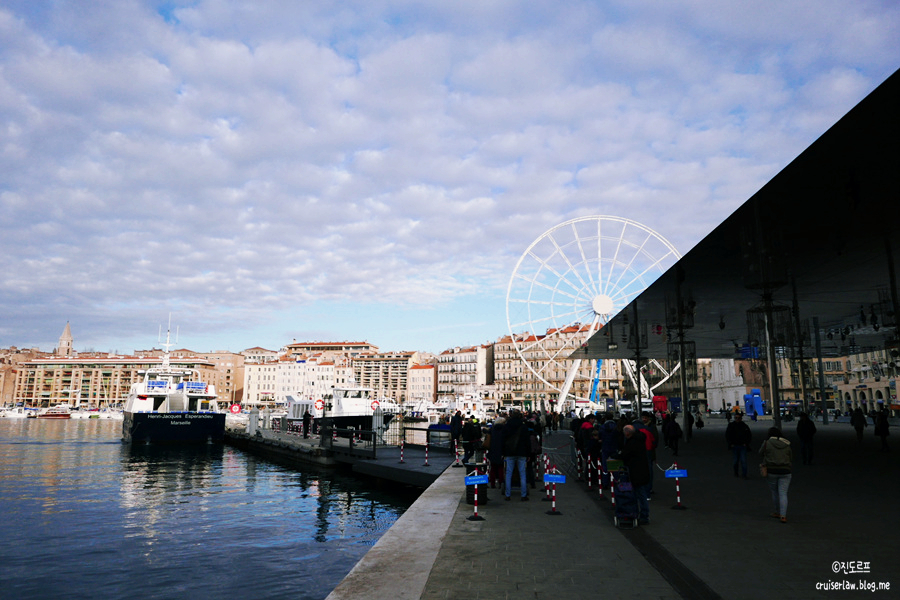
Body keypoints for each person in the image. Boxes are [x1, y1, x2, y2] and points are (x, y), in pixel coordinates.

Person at [760, 426, 792, 523]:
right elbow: (791, 456)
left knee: (774, 492)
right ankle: (783, 515)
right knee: (783, 493)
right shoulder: (786, 444)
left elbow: (760, 452)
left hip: (772, 470)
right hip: (786, 471)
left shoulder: (767, 443)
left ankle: (777, 511)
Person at [620, 425, 651, 525]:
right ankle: (641, 514)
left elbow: (626, 454)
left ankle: (642, 515)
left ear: (627, 433)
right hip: (642, 470)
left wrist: (616, 455)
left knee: (638, 494)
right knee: (641, 494)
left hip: (635, 472)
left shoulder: (632, 442)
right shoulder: (639, 439)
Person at [503, 410, 532, 500]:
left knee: (508, 474)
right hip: (522, 452)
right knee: (522, 473)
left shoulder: (507, 426)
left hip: (509, 452)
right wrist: (528, 453)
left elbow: (503, 440)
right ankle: (523, 495)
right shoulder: (523, 426)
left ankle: (508, 495)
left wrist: (503, 452)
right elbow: (527, 441)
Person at [725, 412, 752, 478]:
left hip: (742, 445)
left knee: (743, 461)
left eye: (738, 418)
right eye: (736, 418)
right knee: (735, 461)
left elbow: (749, 435)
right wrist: (730, 443)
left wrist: (746, 443)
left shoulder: (744, 426)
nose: (737, 419)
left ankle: (744, 474)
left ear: (741, 418)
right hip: (735, 445)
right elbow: (727, 435)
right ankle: (736, 472)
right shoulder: (731, 425)